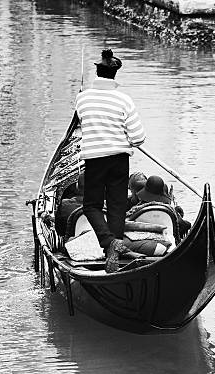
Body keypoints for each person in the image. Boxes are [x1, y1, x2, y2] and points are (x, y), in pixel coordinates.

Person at [75, 49, 146, 273]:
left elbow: (81, 120)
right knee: (116, 206)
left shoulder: (82, 98)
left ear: (97, 72)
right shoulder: (124, 100)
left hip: (94, 159)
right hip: (119, 159)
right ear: (115, 75)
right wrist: (124, 138)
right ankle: (112, 250)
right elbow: (138, 137)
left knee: (91, 206)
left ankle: (109, 244)